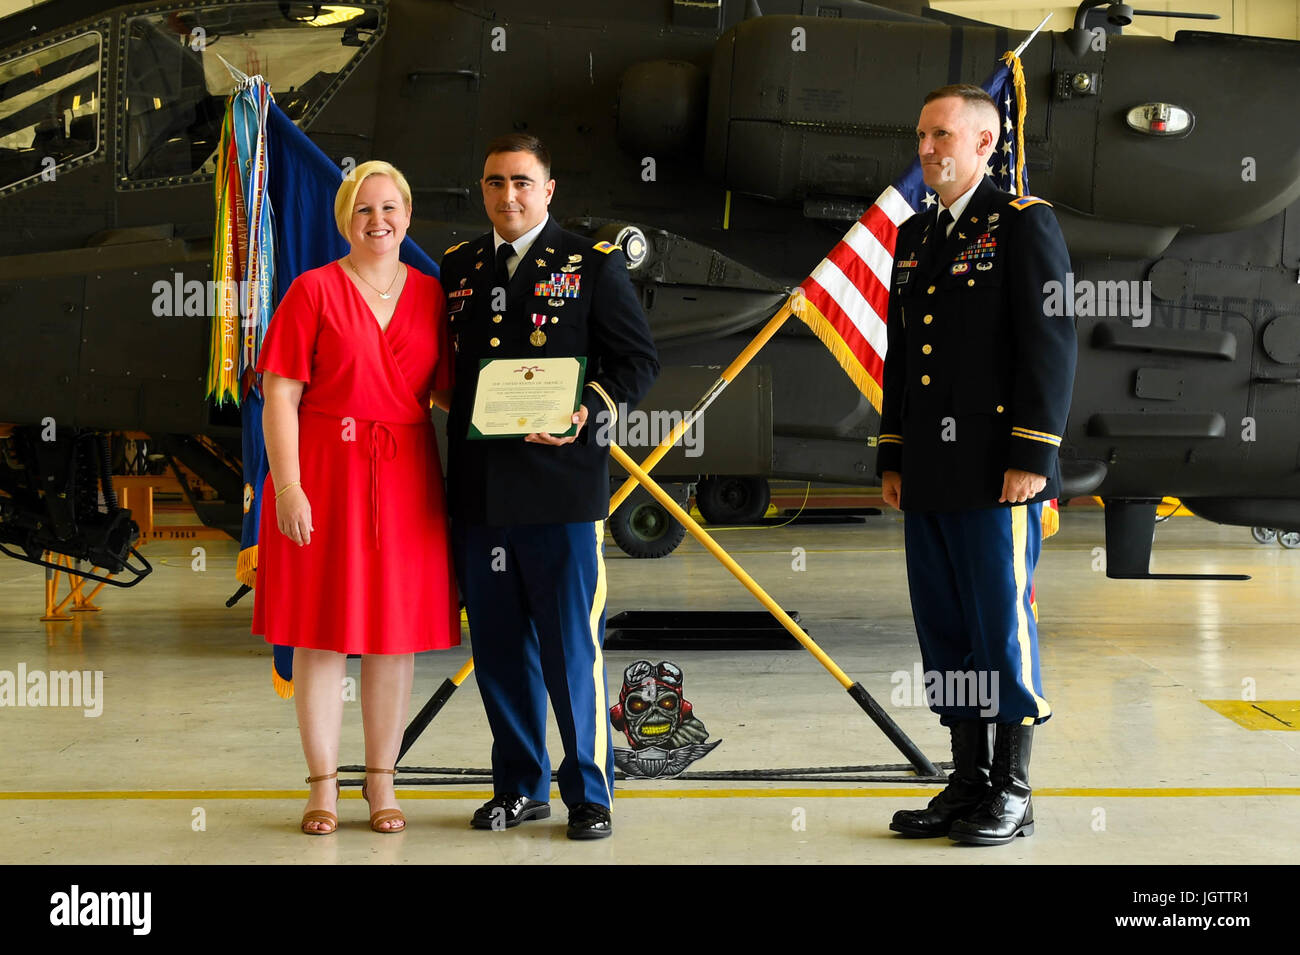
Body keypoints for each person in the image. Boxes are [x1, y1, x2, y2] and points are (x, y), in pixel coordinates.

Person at [440, 134, 659, 840]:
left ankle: (590, 793)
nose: (509, 196)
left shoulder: (591, 264)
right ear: (483, 188)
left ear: (549, 189)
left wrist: (585, 409)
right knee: (500, 650)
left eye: (523, 183)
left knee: (571, 650)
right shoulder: (460, 268)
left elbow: (636, 361)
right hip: (483, 494)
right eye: (496, 182)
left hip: (562, 494)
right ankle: (520, 786)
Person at [876, 85, 1076, 845]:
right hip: (929, 472)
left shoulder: (1024, 225)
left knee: (1001, 629)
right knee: (946, 629)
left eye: (942, 136)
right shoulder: (913, 236)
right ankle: (964, 781)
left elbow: (1051, 344)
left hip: (998, 471)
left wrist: (1032, 454)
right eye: (923, 136)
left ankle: (1014, 787)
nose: (928, 149)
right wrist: (893, 455)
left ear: (985, 144)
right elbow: (903, 361)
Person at [253, 160, 460, 835]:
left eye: (390, 206)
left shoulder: (433, 295)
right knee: (320, 634)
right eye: (365, 209)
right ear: (345, 219)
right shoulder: (311, 291)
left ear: (408, 215)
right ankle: (321, 785)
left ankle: (382, 782)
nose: (379, 220)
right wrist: (289, 486)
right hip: (324, 470)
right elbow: (279, 394)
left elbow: (453, 395)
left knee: (392, 638)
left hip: (404, 475)